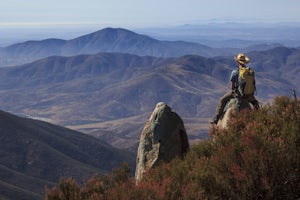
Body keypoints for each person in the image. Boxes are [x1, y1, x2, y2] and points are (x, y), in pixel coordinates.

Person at [210, 53, 259, 124]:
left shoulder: (235, 72)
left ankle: (216, 118)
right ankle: (258, 119)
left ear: (238, 62)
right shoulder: (249, 72)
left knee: (222, 100)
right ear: (245, 62)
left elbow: (232, 87)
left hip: (238, 95)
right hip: (248, 95)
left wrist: (235, 90)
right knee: (256, 103)